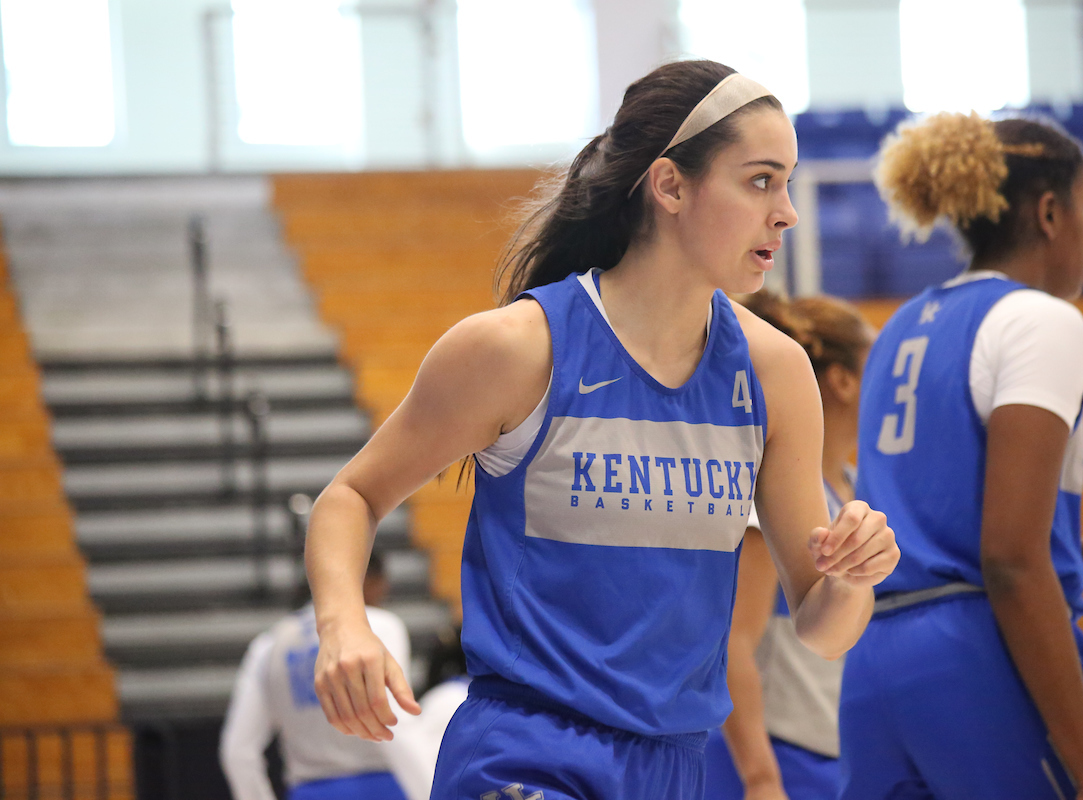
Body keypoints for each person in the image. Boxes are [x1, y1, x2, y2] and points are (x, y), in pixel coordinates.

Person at [303, 59, 900, 800]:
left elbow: (822, 626)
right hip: (526, 755)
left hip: (677, 767)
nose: (787, 211)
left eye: (787, 183)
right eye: (760, 180)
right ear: (670, 185)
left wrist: (851, 577)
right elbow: (349, 497)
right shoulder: (519, 348)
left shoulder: (775, 373)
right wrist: (343, 625)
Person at [841, 111, 1083, 800]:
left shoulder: (898, 330)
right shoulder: (1041, 319)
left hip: (873, 667)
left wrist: (1082, 552)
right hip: (975, 661)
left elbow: (931, 518)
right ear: (1048, 212)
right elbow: (1009, 559)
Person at [705, 292, 874, 800]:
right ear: (843, 380)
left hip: (833, 755)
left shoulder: (856, 490)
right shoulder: (772, 501)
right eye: (879, 367)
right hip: (775, 757)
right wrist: (761, 778)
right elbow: (733, 643)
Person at [220, 553, 434, 800]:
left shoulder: (269, 644)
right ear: (367, 578)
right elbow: (397, 725)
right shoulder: (379, 625)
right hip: (381, 788)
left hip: (308, 790)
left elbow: (238, 751)